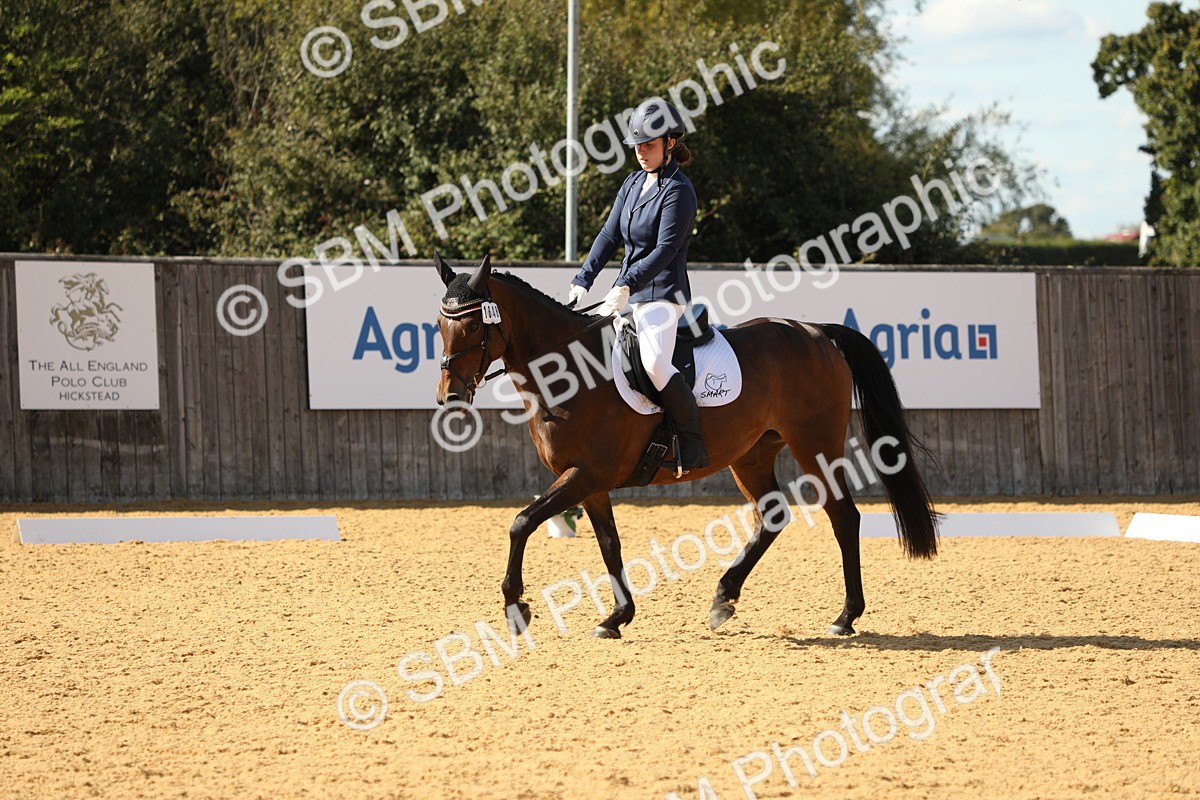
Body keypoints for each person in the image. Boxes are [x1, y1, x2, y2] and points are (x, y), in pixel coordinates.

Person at [567, 98, 709, 473]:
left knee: (655, 363)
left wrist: (626, 283)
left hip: (662, 294)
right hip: (626, 292)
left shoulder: (679, 190)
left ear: (670, 144)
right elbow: (608, 234)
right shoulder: (632, 184)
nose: (641, 153)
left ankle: (692, 443)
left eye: (648, 145)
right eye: (637, 146)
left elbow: (666, 249)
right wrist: (584, 278)